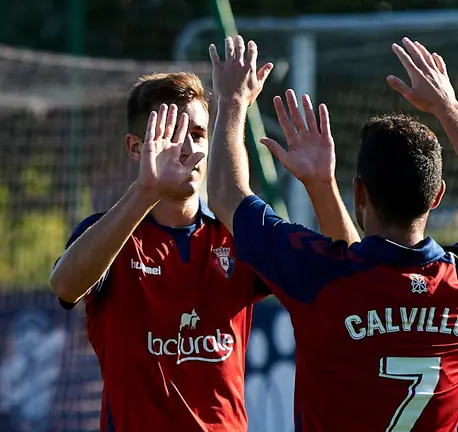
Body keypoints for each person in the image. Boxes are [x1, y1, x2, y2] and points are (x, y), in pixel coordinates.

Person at [207, 35, 458, 432]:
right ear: (437, 196)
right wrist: (449, 107)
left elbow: (225, 194)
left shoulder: (319, 273)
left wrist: (232, 100)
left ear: (359, 192)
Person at [48, 72, 358, 431]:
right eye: (171, 135)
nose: (187, 149)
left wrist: (323, 186)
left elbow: (350, 279)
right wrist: (146, 191)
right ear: (135, 147)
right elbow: (65, 286)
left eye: (197, 134)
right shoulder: (110, 234)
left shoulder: (238, 236)